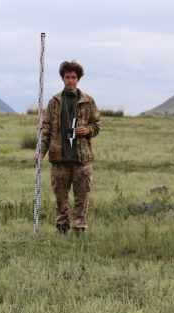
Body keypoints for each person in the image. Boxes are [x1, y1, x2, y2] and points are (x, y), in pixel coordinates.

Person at [36, 60, 101, 235]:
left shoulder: (88, 101)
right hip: (59, 160)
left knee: (82, 199)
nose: (70, 80)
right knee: (61, 199)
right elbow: (46, 130)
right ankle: (62, 230)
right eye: (67, 77)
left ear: (78, 79)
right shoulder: (54, 102)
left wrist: (87, 130)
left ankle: (79, 230)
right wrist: (40, 154)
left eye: (74, 77)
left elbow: (97, 126)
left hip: (82, 160)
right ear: (62, 78)